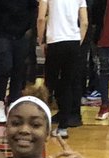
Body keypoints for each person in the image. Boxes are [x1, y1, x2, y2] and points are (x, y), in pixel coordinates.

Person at [0, 0, 40, 123]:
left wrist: (31, 27)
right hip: (3, 33)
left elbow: (33, 7)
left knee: (19, 68)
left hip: (22, 33)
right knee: (4, 67)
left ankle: (14, 102)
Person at [40, 0, 90, 132]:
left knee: (49, 84)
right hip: (72, 41)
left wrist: (40, 40)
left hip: (54, 41)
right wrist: (79, 41)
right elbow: (84, 22)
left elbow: (41, 18)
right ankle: (63, 127)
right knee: (67, 84)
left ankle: (42, 123)